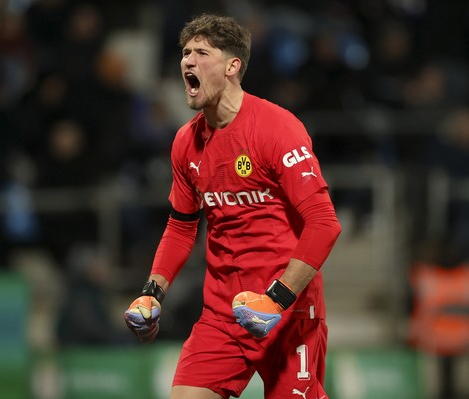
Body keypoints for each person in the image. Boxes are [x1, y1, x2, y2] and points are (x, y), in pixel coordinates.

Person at [124, 14, 341, 399]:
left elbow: (324, 223)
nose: (187, 61)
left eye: (201, 53)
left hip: (288, 312)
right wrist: (152, 291)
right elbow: (181, 226)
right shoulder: (184, 143)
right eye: (186, 53)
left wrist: (277, 299)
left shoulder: (277, 128)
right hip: (223, 315)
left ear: (232, 66)